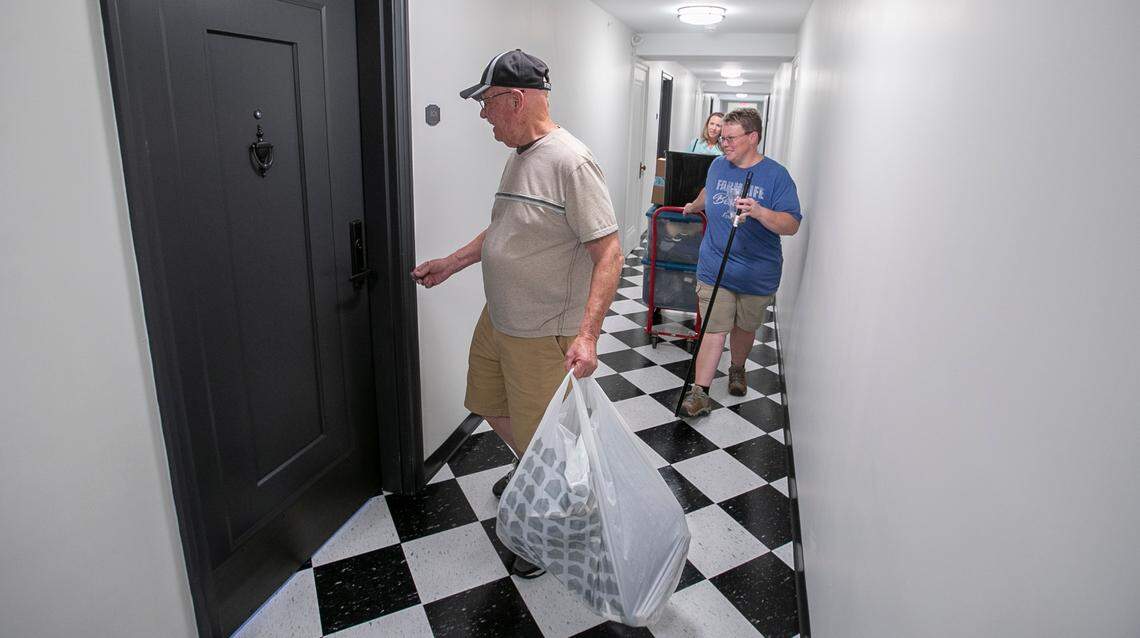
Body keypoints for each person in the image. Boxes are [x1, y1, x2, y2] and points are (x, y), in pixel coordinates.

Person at [411, 49, 623, 575]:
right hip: (500, 318)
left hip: (543, 332)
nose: (483, 114)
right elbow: (506, 229)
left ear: (516, 99)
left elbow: (609, 253)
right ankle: (536, 474)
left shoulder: (572, 163)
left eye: (486, 102)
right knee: (487, 401)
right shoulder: (520, 156)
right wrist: (452, 263)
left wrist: (589, 335)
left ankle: (545, 528)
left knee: (544, 436)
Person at [679, 108, 801, 416]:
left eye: (731, 138)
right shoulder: (718, 165)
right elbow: (709, 190)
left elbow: (791, 224)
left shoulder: (777, 176)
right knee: (713, 329)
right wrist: (694, 205)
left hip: (756, 272)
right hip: (715, 266)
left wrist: (760, 212)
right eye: (722, 138)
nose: (724, 144)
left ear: (753, 137)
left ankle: (737, 367)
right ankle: (700, 393)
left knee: (744, 328)